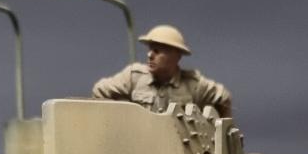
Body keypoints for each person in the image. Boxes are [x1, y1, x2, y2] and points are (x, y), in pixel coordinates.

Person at [91, 24, 232, 117]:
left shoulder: (193, 85)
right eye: (150, 49)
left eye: (157, 51)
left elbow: (223, 98)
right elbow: (100, 90)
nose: (149, 55)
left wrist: (220, 136)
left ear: (175, 56)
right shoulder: (133, 77)